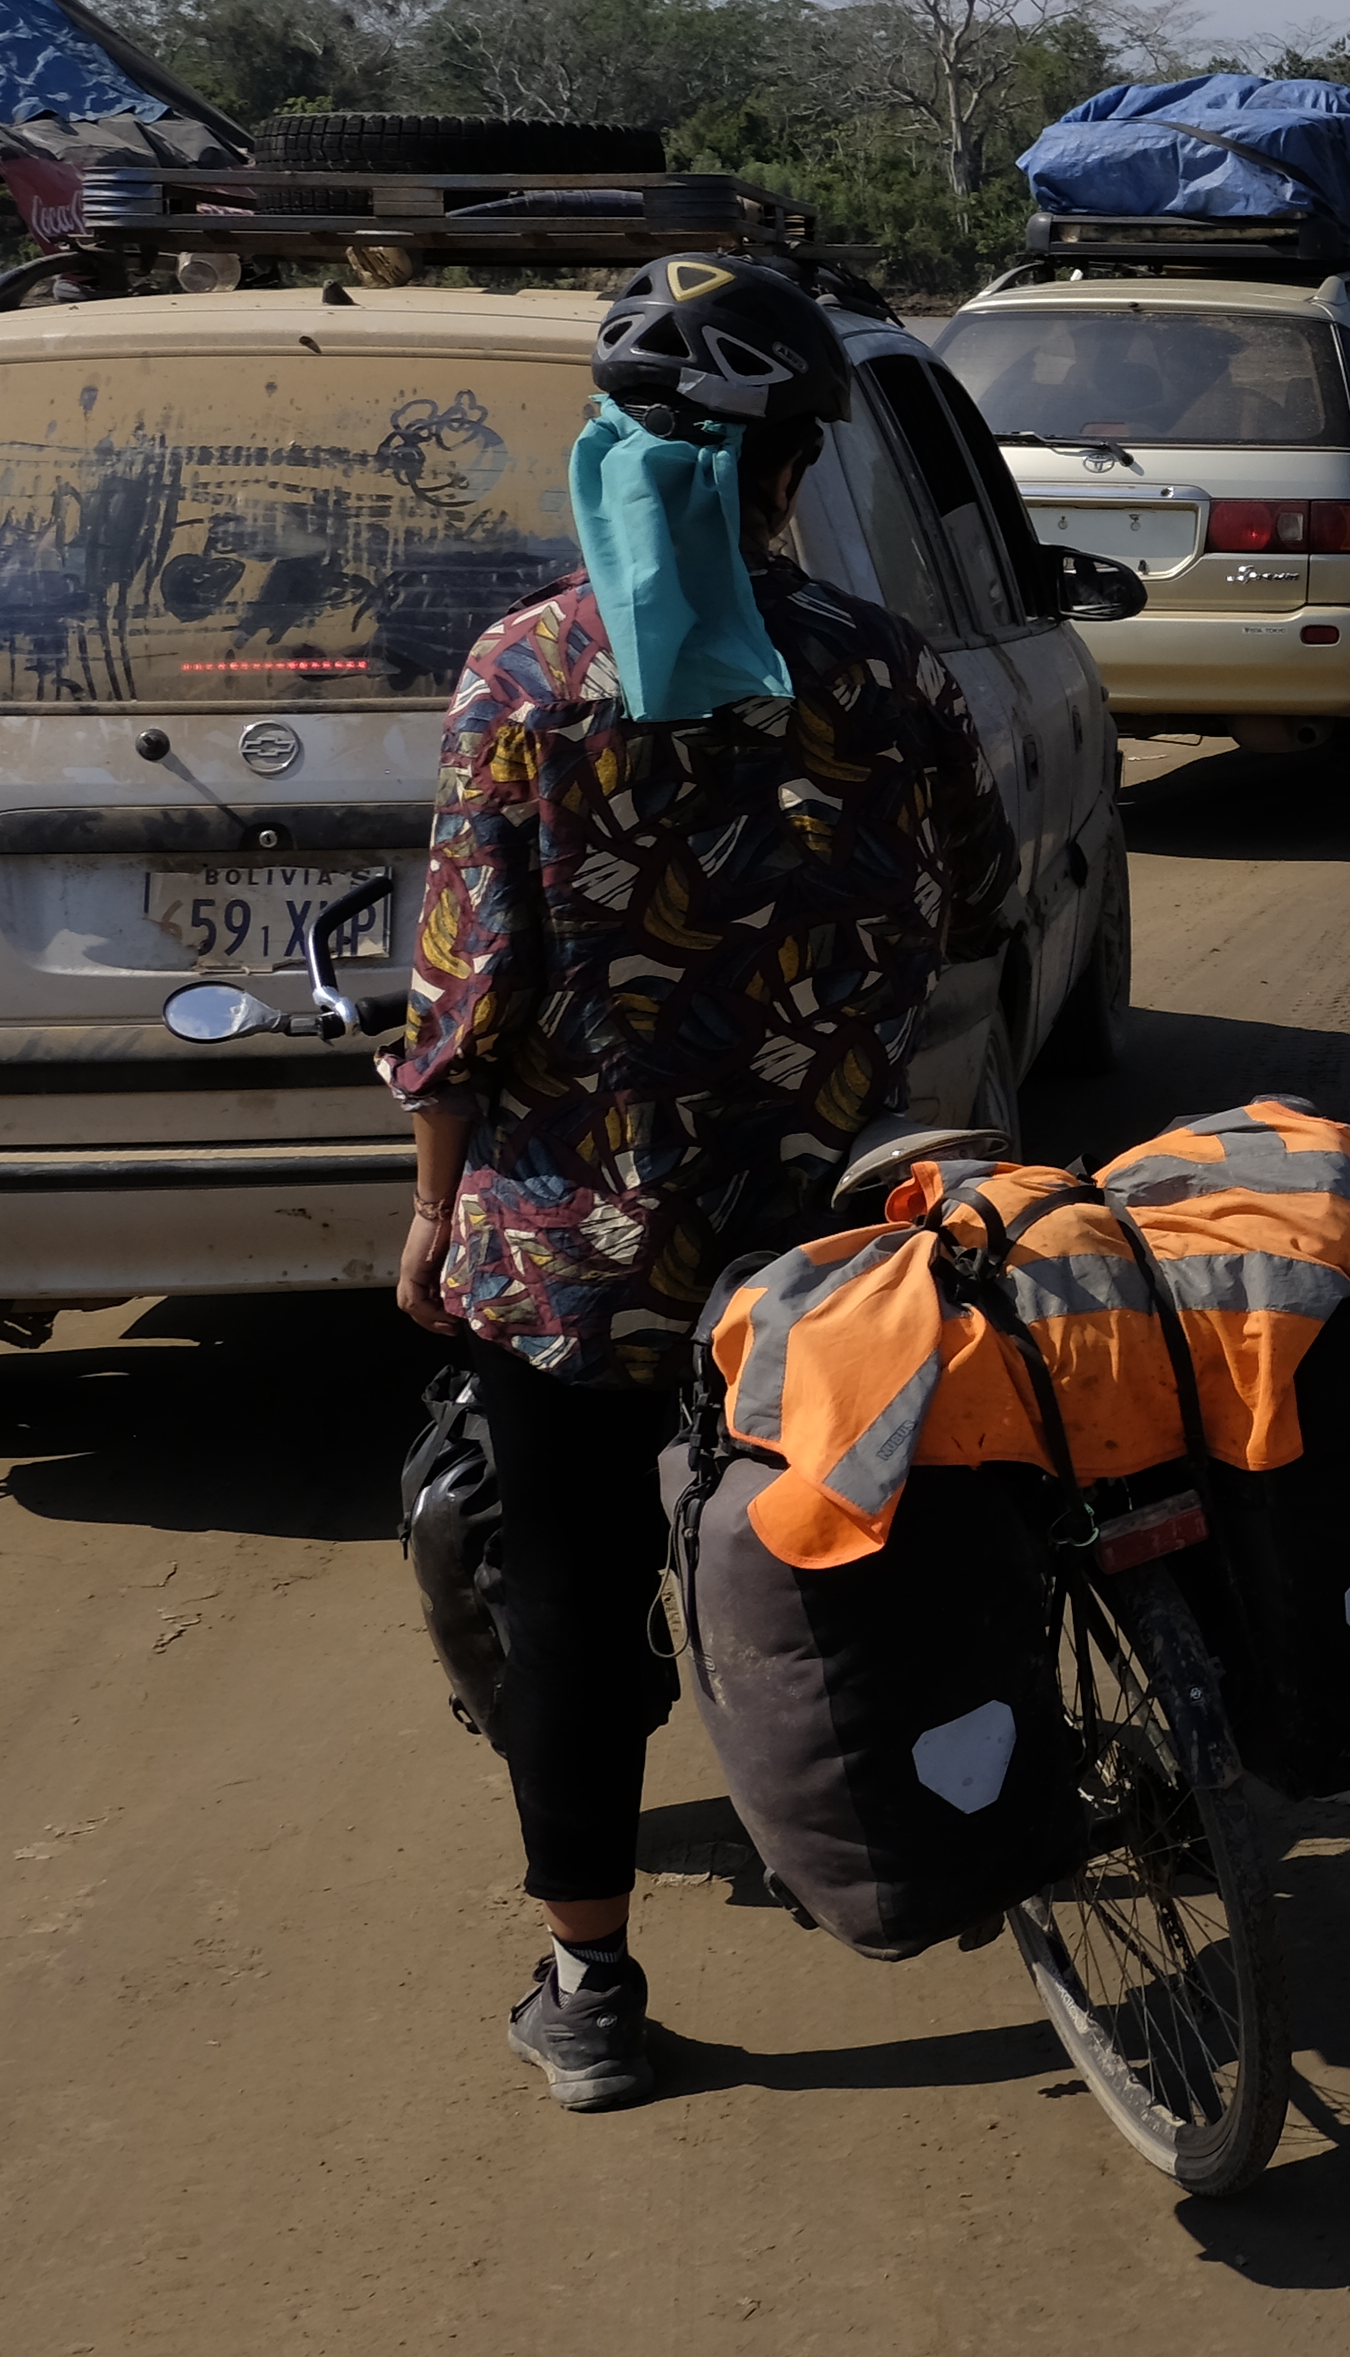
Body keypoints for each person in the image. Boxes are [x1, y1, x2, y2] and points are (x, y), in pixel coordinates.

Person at [386, 254, 1009, 2113]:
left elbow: (465, 995)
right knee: (883, 1531)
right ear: (793, 469)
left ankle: (589, 1986)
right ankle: (929, 1828)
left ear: (615, 452)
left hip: (574, 1246)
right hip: (838, 1227)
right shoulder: (884, 665)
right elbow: (981, 895)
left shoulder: (527, 673)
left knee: (572, 1592)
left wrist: (431, 1211)